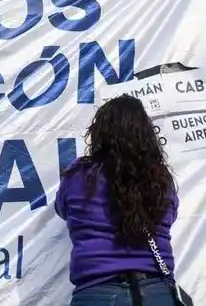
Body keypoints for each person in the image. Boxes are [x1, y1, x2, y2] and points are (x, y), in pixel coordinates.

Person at [55, 95, 181, 306]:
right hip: (156, 291)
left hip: (97, 292)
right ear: (146, 134)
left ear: (99, 132)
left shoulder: (78, 174)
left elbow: (62, 209)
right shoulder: (160, 178)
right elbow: (170, 215)